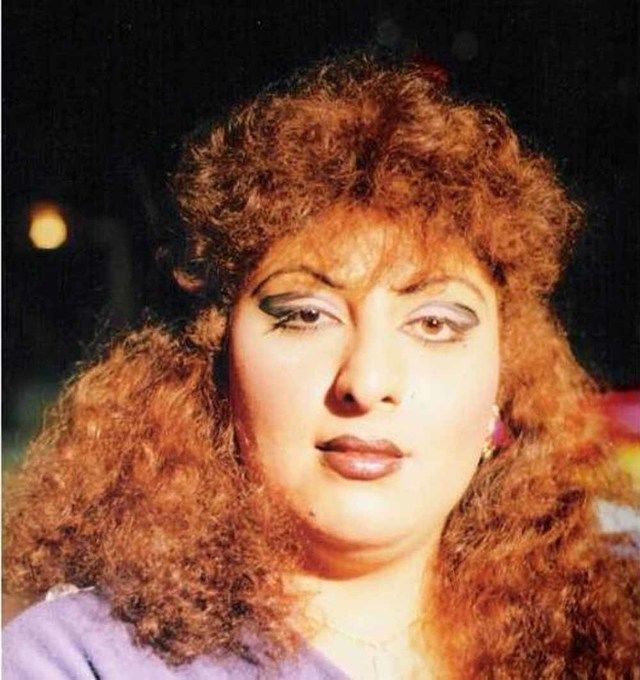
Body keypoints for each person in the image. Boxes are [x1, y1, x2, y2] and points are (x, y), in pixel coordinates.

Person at [3, 55, 639, 679]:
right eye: (307, 315)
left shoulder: (616, 617)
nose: (366, 383)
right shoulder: (74, 662)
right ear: (217, 360)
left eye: (434, 324)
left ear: (501, 379)